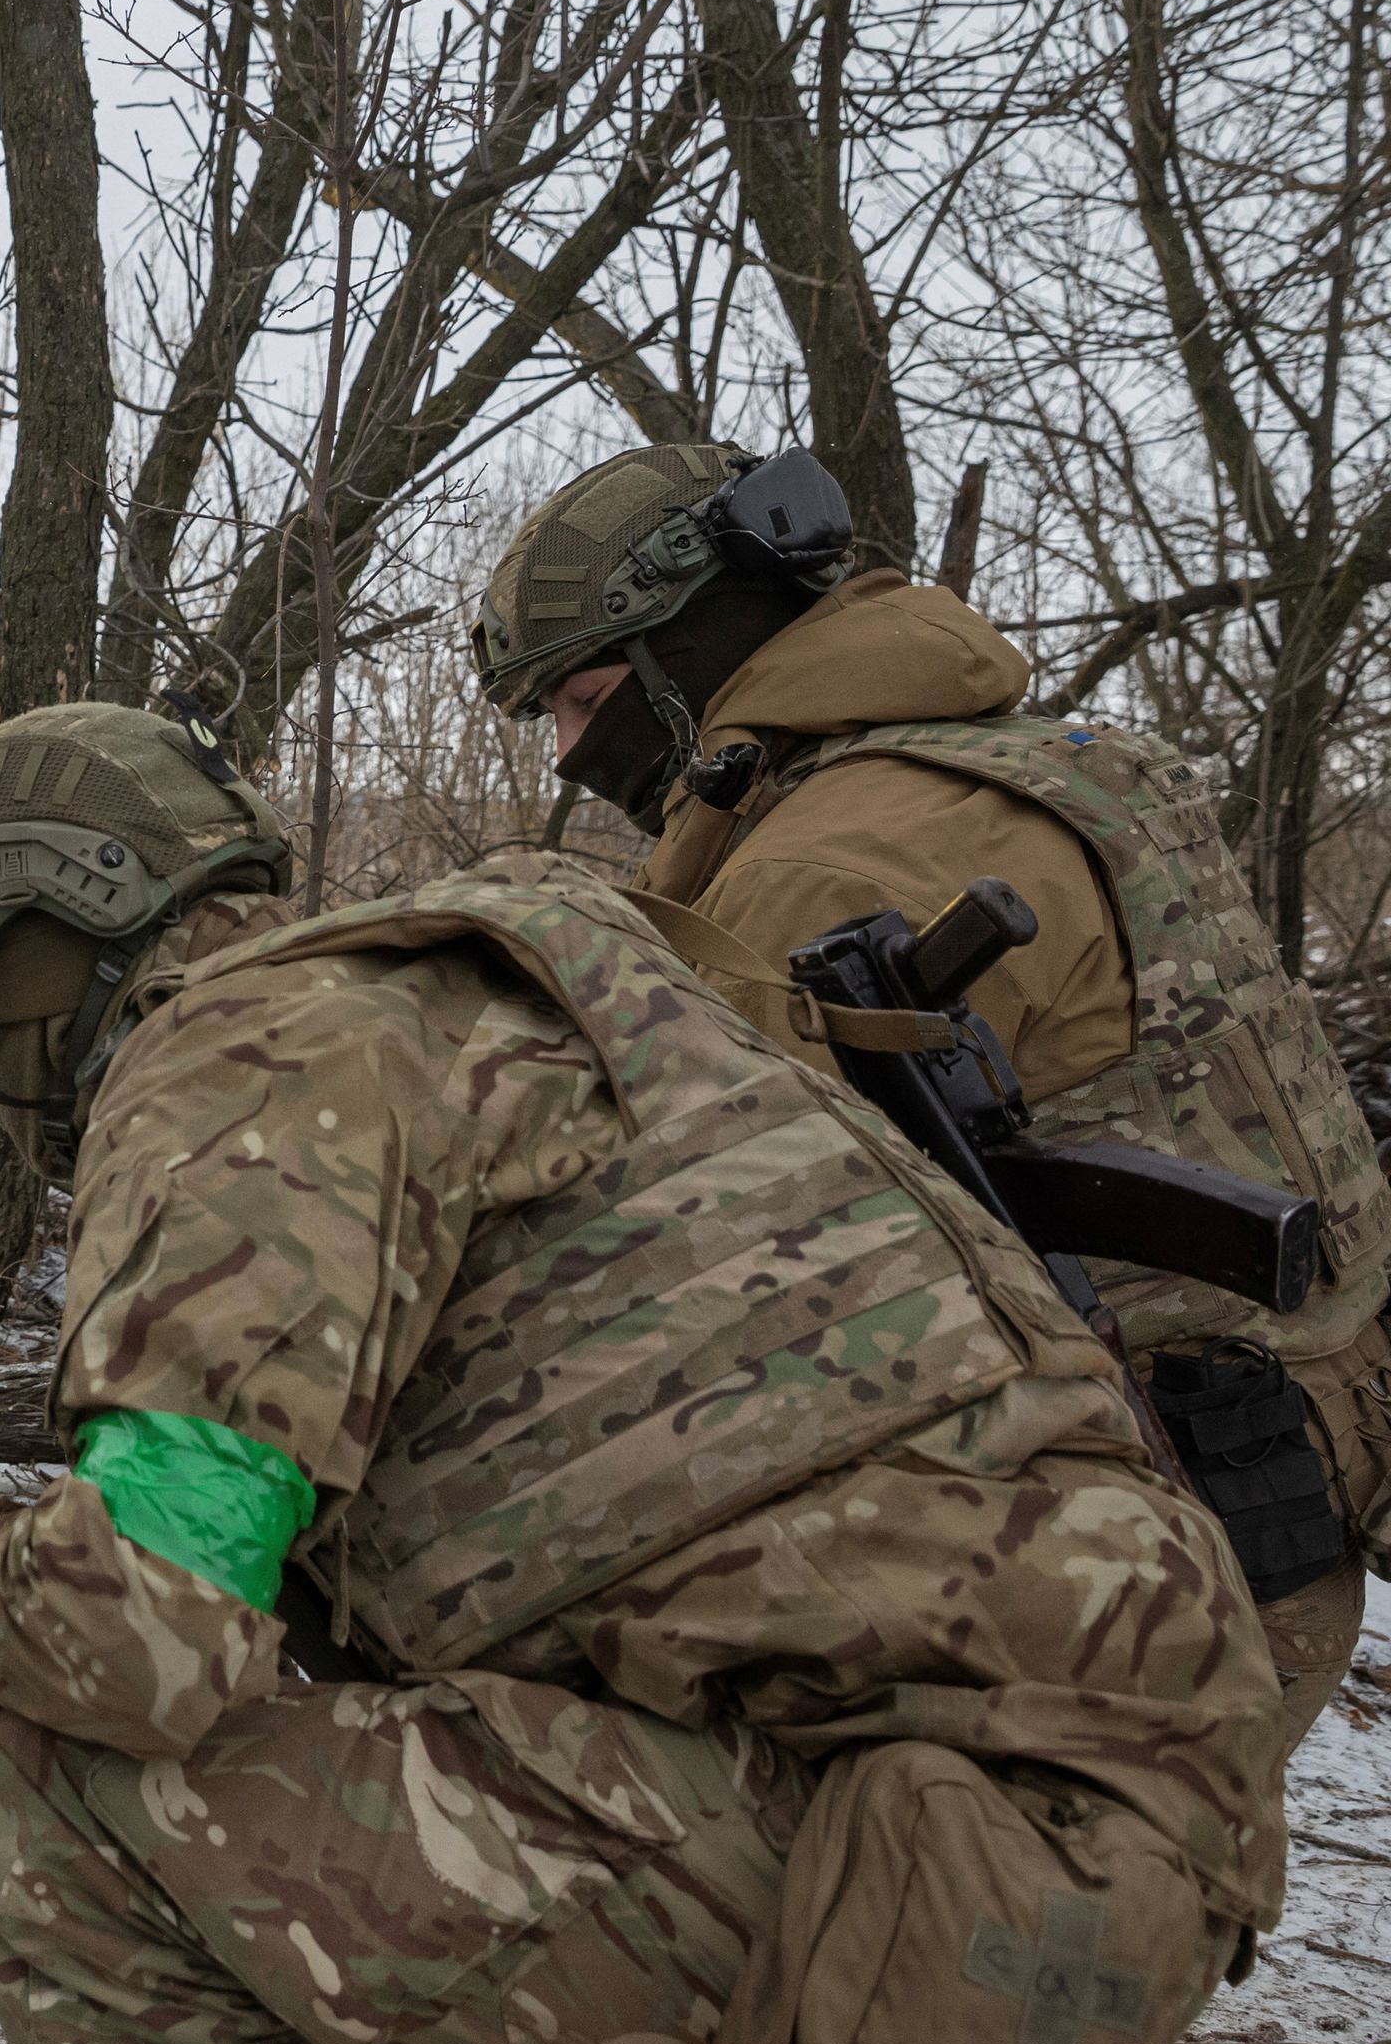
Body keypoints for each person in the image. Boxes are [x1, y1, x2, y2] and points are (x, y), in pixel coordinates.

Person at [0, 701, 1288, 2044]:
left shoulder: (242, 1040)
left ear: (47, 920)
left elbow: (144, 1616)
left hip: (924, 1814)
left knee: (41, 1809)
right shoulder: (544, 969)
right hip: (1087, 1770)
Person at [471, 442, 1391, 1747]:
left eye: (579, 697)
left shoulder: (829, 858)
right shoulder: (1055, 756)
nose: (567, 754)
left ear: (693, 655)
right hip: (1286, 1464)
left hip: (1142, 1582)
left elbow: (690, 1303)